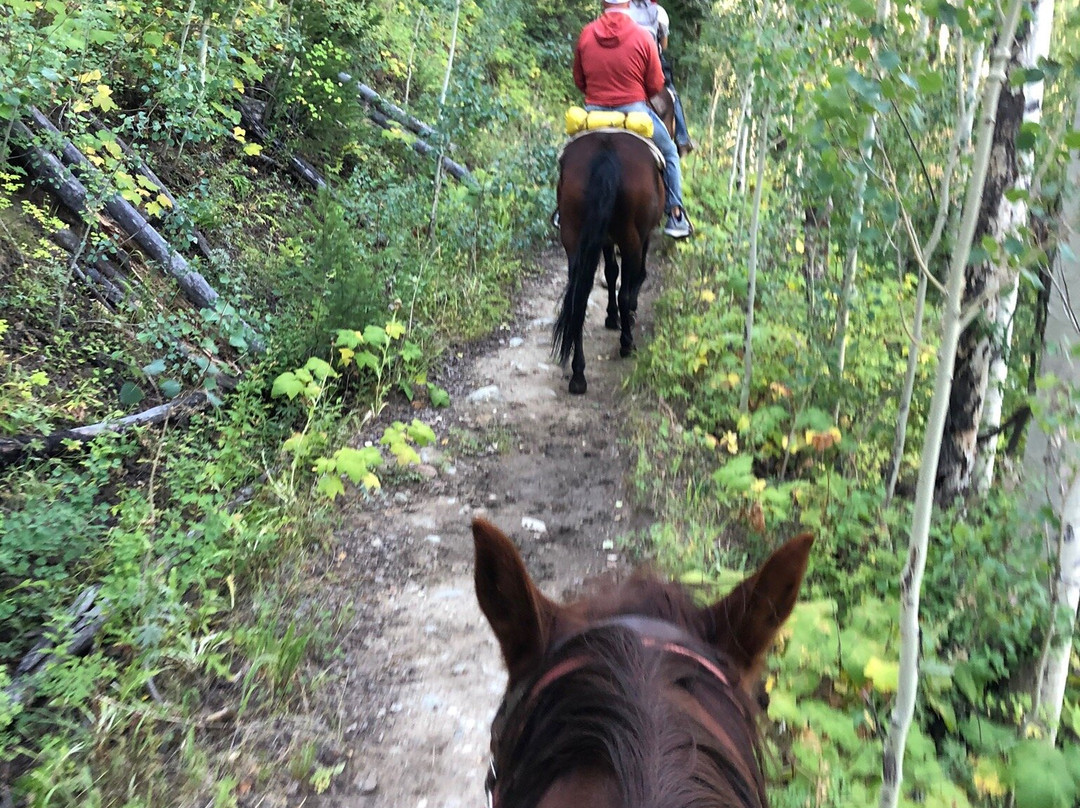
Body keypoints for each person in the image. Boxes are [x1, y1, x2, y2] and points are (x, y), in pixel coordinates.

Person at [572, 0, 692, 238]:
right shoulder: (643, 37)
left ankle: (562, 210)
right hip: (634, 111)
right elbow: (656, 84)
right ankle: (676, 214)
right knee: (669, 152)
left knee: (569, 155)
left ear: (603, 4)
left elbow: (579, 80)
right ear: (626, 5)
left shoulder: (586, 34)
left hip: (594, 112)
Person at [626, 0, 693, 156]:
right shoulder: (659, 12)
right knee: (671, 95)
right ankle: (682, 138)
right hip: (652, 62)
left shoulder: (624, 10)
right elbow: (663, 45)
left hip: (627, 62)